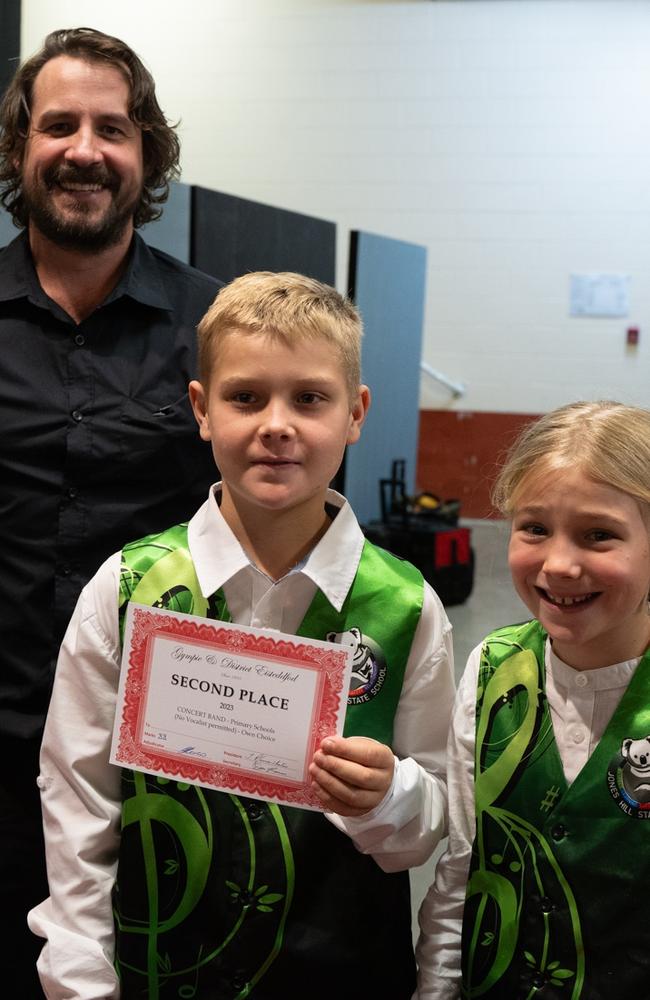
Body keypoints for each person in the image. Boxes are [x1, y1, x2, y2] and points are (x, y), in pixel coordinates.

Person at [28, 271, 455, 999]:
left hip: (343, 969)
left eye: (310, 398)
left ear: (355, 413)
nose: (276, 424)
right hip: (158, 968)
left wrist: (394, 795)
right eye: (246, 397)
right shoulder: (130, 587)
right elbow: (79, 800)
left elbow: (440, 826)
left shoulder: (408, 607)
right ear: (201, 408)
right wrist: (80, 981)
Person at [0, 27, 221, 996]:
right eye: (58, 126)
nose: (84, 150)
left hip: (160, 759)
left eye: (112, 129)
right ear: (20, 152)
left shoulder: (216, 327)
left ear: (146, 157)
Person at [416, 400, 650, 999]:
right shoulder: (493, 668)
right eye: (535, 528)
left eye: (600, 535)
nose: (560, 564)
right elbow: (463, 865)